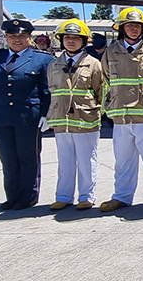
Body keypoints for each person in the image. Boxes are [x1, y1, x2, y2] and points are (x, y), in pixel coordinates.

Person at [0, 19, 53, 210]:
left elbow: (46, 91)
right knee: (8, 159)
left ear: (29, 37)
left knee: (28, 158)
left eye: (21, 36)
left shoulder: (42, 59)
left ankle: (28, 196)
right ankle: (12, 196)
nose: (16, 40)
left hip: (28, 117)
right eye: (12, 36)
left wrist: (47, 114)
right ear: (6, 38)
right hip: (0, 116)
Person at [99, 7, 143, 212]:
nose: (133, 29)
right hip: (120, 115)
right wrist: (106, 108)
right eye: (129, 25)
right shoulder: (111, 51)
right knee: (123, 160)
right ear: (121, 28)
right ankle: (121, 196)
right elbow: (104, 80)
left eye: (137, 26)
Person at [46, 19, 105, 211]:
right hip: (62, 120)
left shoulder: (93, 64)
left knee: (87, 160)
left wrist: (95, 111)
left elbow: (100, 91)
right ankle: (63, 196)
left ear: (84, 41)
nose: (71, 41)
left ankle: (86, 196)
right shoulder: (54, 64)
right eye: (68, 38)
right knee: (64, 160)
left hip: (85, 119)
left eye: (76, 38)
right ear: (61, 40)